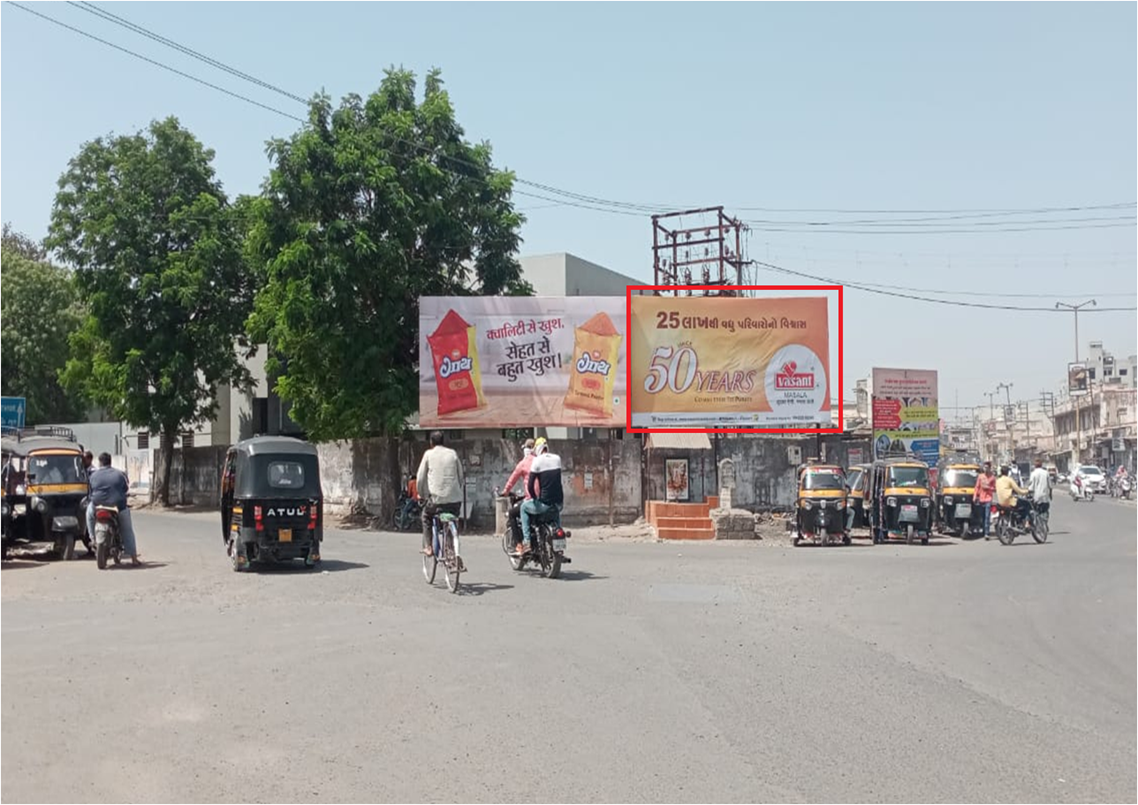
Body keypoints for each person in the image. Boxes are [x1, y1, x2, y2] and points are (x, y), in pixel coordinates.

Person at [86, 452, 141, 565]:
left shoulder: (93, 475)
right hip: (118, 506)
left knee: (89, 515)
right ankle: (134, 558)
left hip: (98, 505)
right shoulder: (120, 474)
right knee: (127, 529)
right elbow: (125, 489)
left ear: (100, 462)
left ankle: (92, 538)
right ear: (110, 461)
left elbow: (90, 492)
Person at [416, 431, 464, 558]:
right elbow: (461, 477)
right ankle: (451, 551)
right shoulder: (453, 454)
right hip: (455, 501)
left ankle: (428, 547)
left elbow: (420, 478)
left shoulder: (428, 454)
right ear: (444, 441)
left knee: (426, 516)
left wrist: (421, 494)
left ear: (431, 442)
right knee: (451, 518)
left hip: (436, 501)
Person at [517, 438, 563, 556]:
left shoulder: (537, 461)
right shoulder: (557, 459)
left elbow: (531, 485)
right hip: (559, 503)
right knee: (555, 513)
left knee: (523, 508)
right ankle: (559, 532)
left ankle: (527, 541)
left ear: (537, 448)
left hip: (543, 504)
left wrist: (534, 498)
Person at [498, 439, 536, 549]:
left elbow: (512, 479)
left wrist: (505, 492)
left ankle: (520, 543)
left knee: (512, 514)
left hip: (530, 499)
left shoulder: (523, 463)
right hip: (542, 499)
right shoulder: (539, 461)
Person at [973, 462, 997, 539]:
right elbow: (977, 487)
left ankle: (987, 533)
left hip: (988, 498)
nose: (986, 469)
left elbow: (995, 488)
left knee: (987, 516)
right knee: (982, 516)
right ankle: (983, 531)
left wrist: (989, 488)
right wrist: (975, 496)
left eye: (987, 467)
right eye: (985, 467)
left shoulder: (992, 477)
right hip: (981, 498)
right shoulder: (980, 477)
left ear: (990, 468)